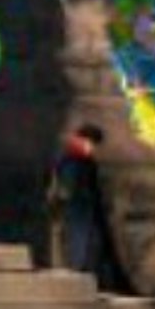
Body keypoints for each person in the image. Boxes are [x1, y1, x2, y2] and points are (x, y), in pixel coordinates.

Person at [46, 122, 128, 288]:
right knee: (83, 249)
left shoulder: (74, 158)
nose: (93, 149)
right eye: (92, 144)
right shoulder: (74, 159)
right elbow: (70, 187)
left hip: (82, 212)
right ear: (83, 140)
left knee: (88, 249)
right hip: (80, 212)